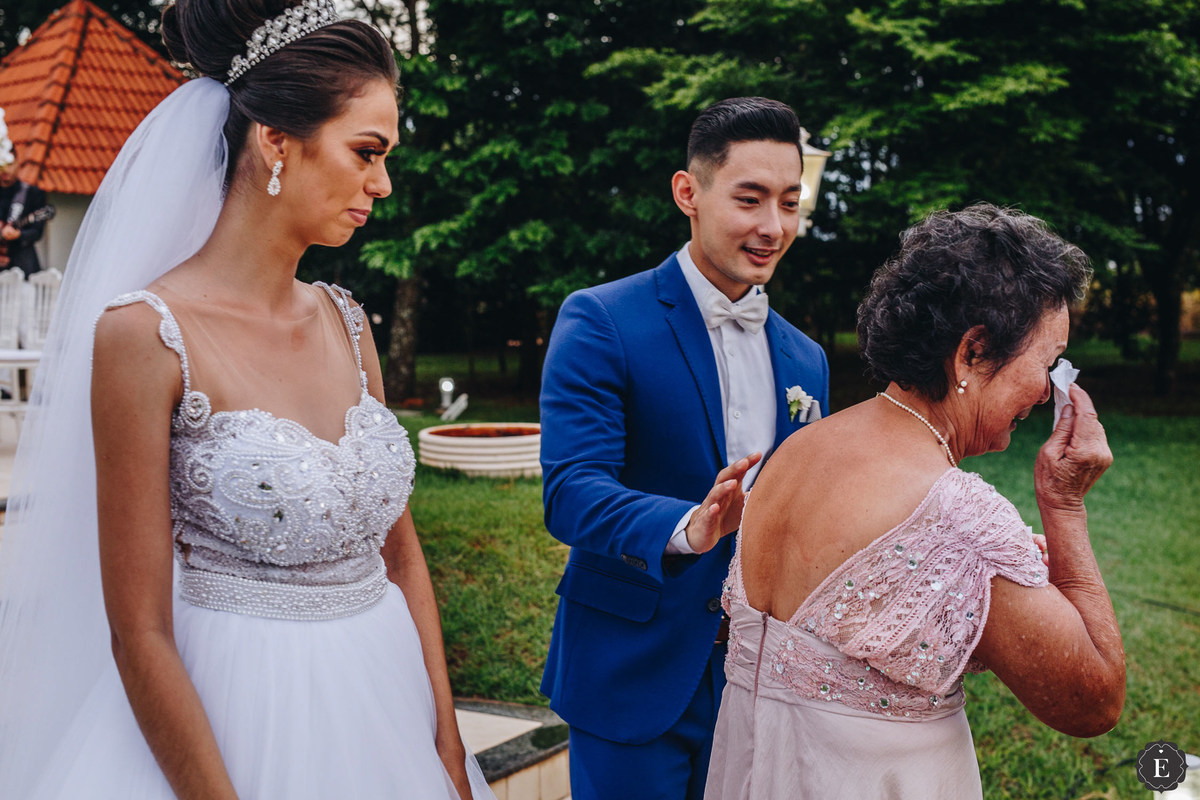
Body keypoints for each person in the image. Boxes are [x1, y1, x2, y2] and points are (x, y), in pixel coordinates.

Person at [0, 1, 494, 798]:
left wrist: (445, 748)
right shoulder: (145, 337)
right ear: (275, 141)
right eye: (366, 152)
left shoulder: (347, 321)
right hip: (237, 717)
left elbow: (401, 556)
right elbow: (139, 629)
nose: (384, 183)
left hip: (385, 709)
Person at [706, 204, 1126, 799]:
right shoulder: (956, 516)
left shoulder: (795, 455)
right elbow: (1095, 700)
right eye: (1048, 364)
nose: (1051, 390)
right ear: (972, 352)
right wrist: (1065, 508)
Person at [539, 97, 830, 800]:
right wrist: (686, 527)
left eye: (790, 203)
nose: (773, 227)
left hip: (763, 685)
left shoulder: (808, 359)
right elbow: (570, 491)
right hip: (633, 674)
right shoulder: (602, 319)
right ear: (687, 192)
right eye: (750, 199)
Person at [0, 112, 50, 273]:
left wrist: (18, 234)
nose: (6, 170)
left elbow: (36, 232)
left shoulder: (31, 193)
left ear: (17, 162)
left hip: (22, 265)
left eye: (10, 163)